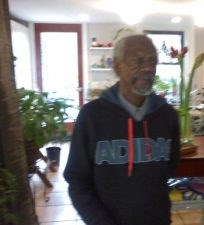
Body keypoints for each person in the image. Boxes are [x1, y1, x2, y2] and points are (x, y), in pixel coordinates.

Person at [64, 34, 180, 225]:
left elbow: (170, 168)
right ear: (117, 66)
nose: (147, 68)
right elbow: (77, 181)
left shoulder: (167, 116)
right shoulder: (92, 117)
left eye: (153, 61)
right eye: (138, 61)